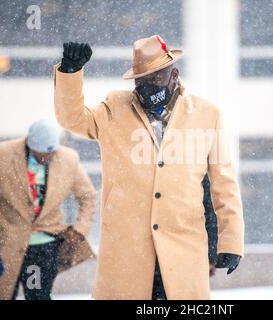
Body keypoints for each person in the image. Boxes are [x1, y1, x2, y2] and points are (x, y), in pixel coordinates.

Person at [54, 35, 245, 299]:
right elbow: (71, 118)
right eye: (140, 81)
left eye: (155, 78)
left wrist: (231, 241)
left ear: (174, 74)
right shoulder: (114, 108)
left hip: (183, 251)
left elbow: (224, 186)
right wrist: (70, 73)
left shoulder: (207, 114)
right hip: (127, 252)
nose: (146, 87)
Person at [0, 119, 97, 300]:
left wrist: (79, 229)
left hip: (42, 250)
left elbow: (87, 197)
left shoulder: (68, 159)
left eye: (51, 153)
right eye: (41, 154)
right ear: (29, 144)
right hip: (4, 245)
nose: (46, 158)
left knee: (38, 296)